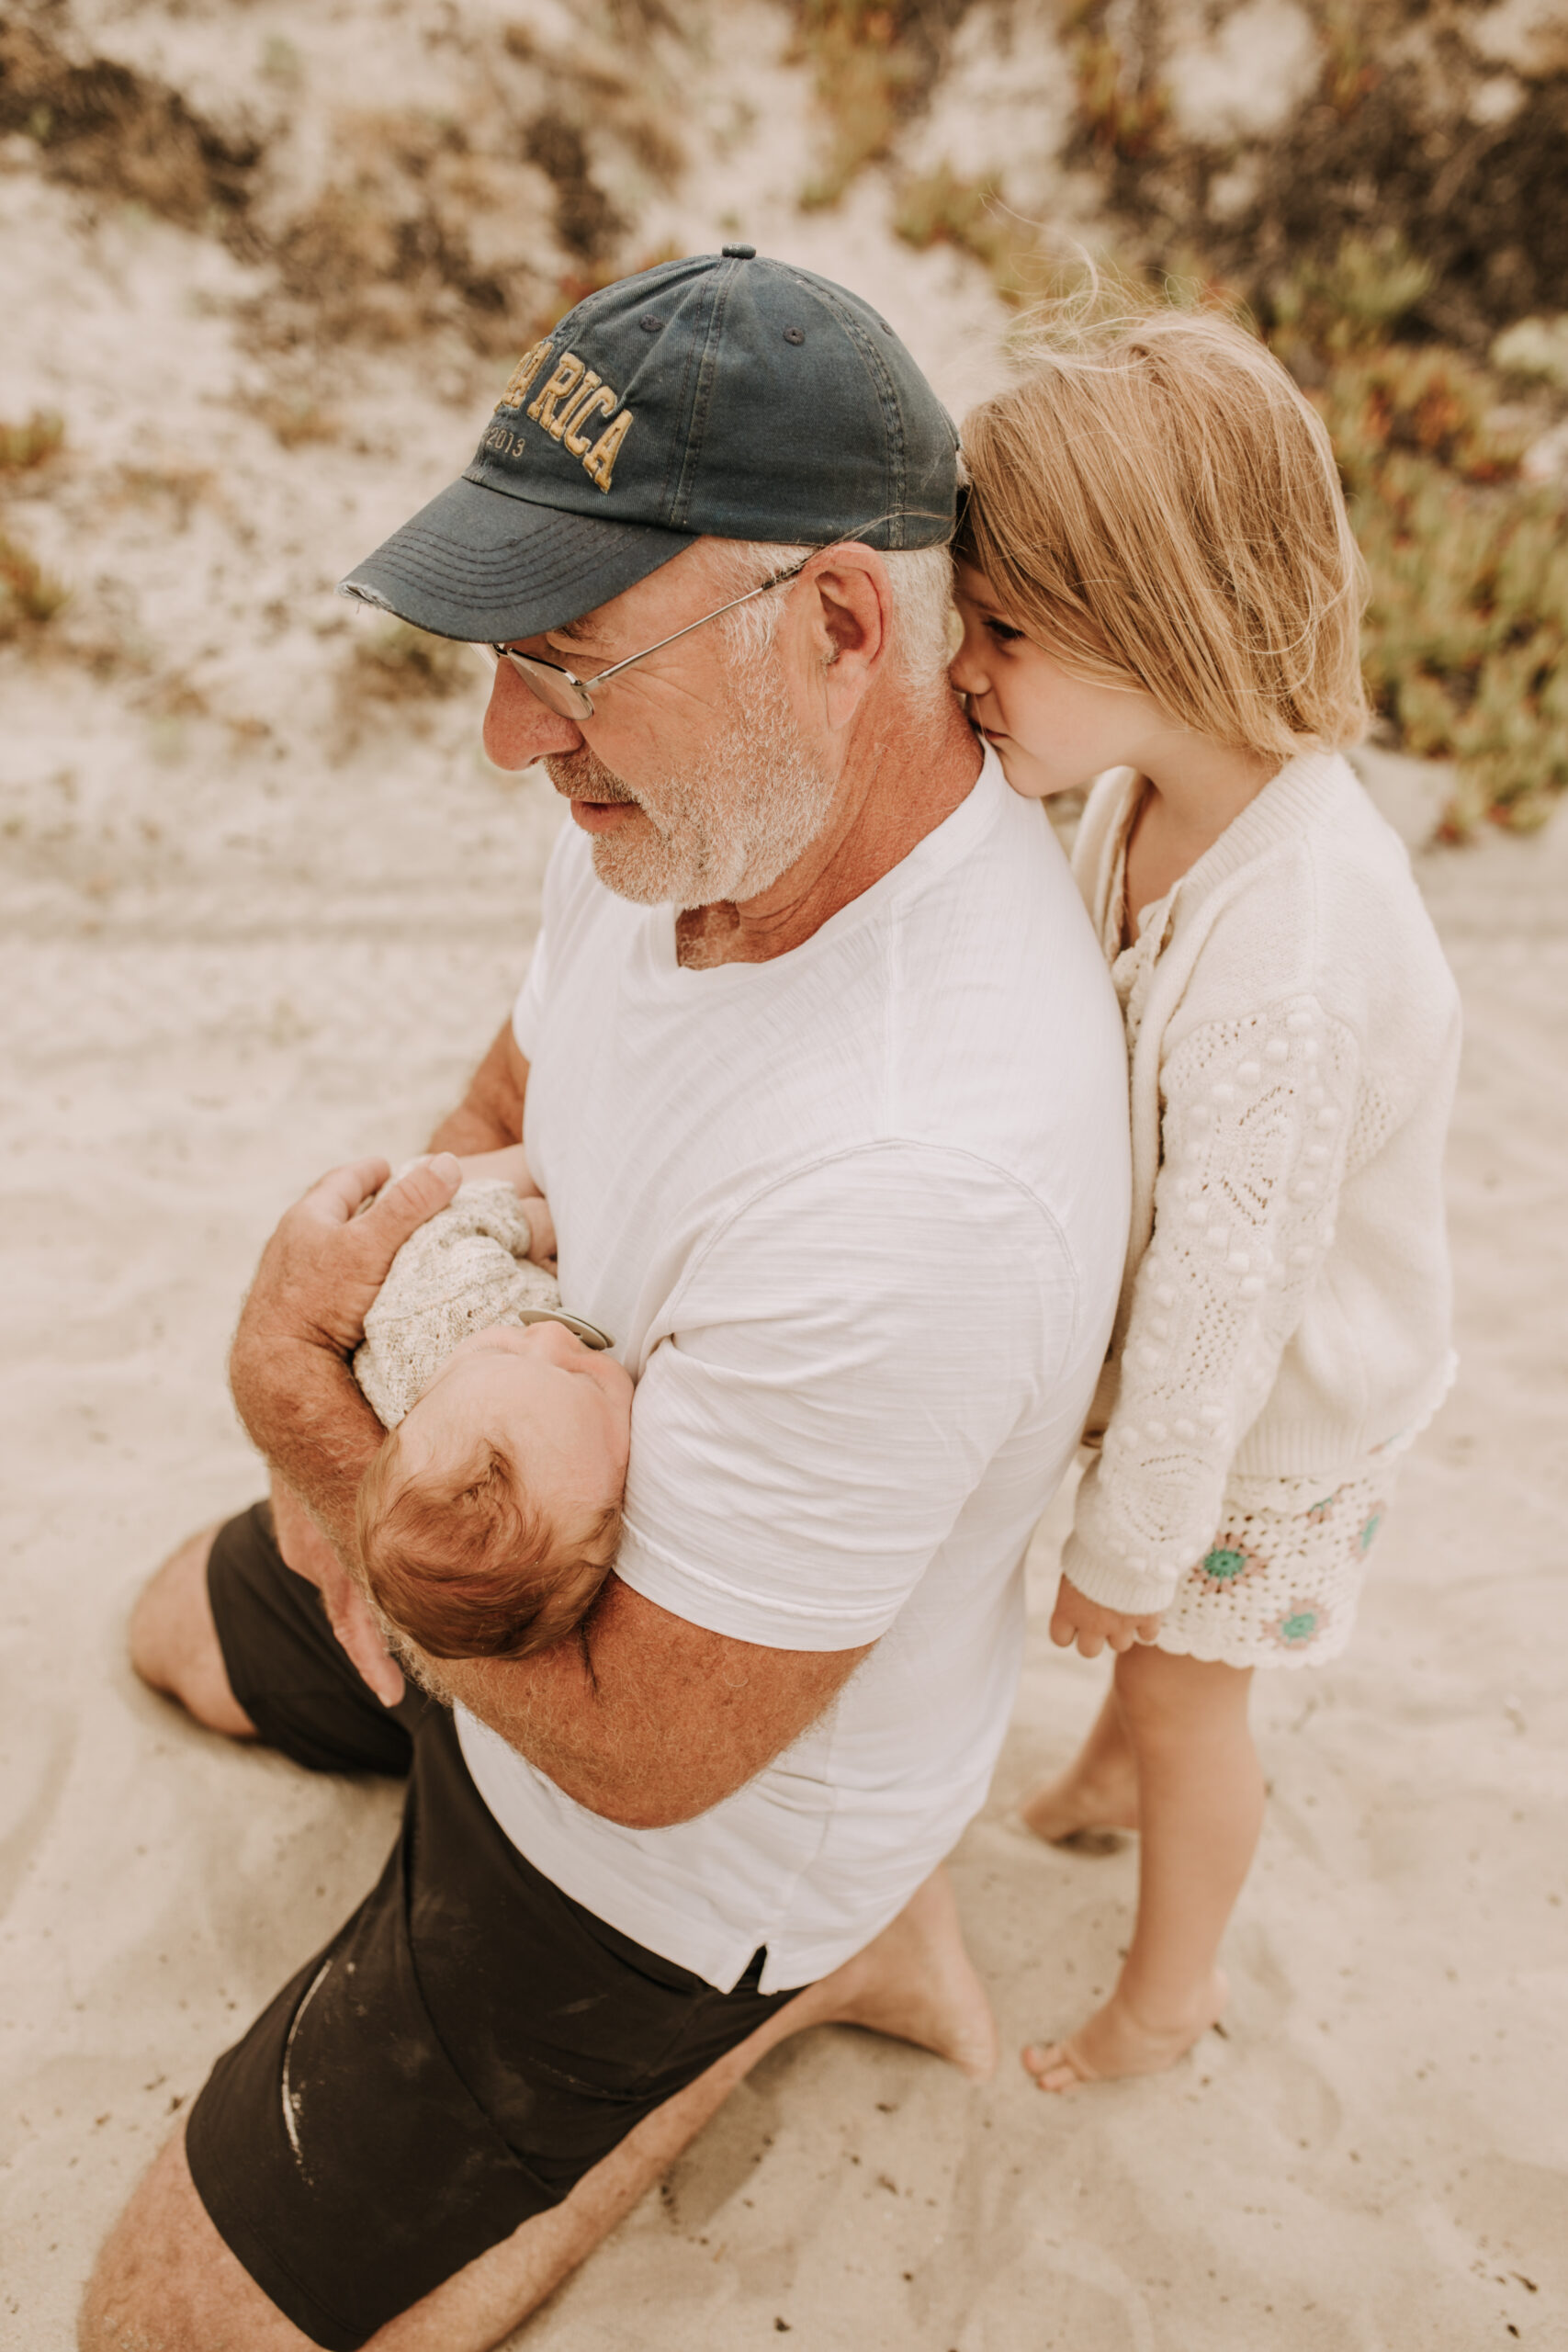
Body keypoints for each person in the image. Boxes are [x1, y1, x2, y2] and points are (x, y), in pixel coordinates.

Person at [83, 248, 1130, 2351]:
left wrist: (319, 1434)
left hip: (693, 1828)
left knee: (155, 2330)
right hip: (515, 1527)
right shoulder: (676, 806)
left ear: (838, 623)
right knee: (172, 1638)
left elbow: (650, 1747)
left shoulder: (923, 1165)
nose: (501, 733)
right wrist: (385, 1317)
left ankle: (787, 1978)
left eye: (562, 653)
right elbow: (514, 1092)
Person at [949, 300, 1461, 2093]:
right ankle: (1098, 1770)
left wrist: (1121, 1553)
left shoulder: (1293, 951)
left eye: (1000, 631)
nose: (965, 666)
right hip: (1196, 1378)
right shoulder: (1151, 795)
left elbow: (1222, 1303)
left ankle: (1166, 1998)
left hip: (1272, 1416)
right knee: (1144, 1669)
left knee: (1184, 1678)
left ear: (1153, 625)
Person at [349, 1144, 631, 1668]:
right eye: (583, 1380)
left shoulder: (456, 1309)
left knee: (535, 1168)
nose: (550, 1336)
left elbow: (445, 1227)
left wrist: (529, 1224)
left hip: (440, 1225)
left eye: (501, 1348)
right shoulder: (498, 1410)